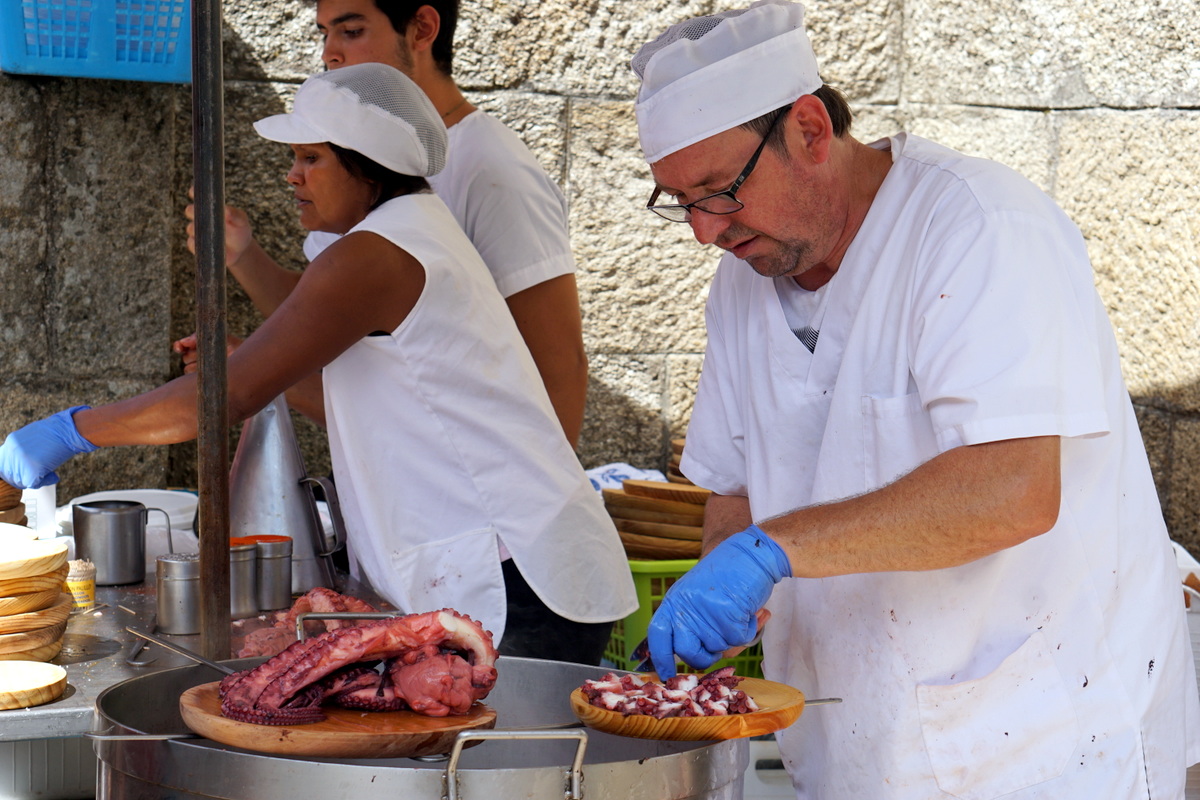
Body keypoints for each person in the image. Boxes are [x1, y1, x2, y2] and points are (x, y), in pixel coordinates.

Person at [632, 1, 1200, 796]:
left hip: (1037, 746)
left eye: (718, 192)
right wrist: (719, 591)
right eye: (679, 203)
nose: (703, 231)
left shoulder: (977, 227)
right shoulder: (742, 284)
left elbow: (1014, 492)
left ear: (809, 129)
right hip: (849, 743)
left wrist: (773, 552)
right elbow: (736, 487)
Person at [0, 63, 636, 665]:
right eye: (293, 159)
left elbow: (223, 400)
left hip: (516, 578)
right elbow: (358, 381)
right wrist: (244, 362)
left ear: (368, 167)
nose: (292, 176)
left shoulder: (377, 253)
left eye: (311, 158)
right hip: (517, 569)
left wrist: (72, 429)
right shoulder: (409, 233)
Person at [181, 0, 589, 448]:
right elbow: (329, 312)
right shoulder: (354, 162)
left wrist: (540, 501)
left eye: (351, 32)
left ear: (422, 29)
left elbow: (559, 364)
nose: (329, 54)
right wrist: (241, 255)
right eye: (323, 34)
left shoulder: (490, 168)